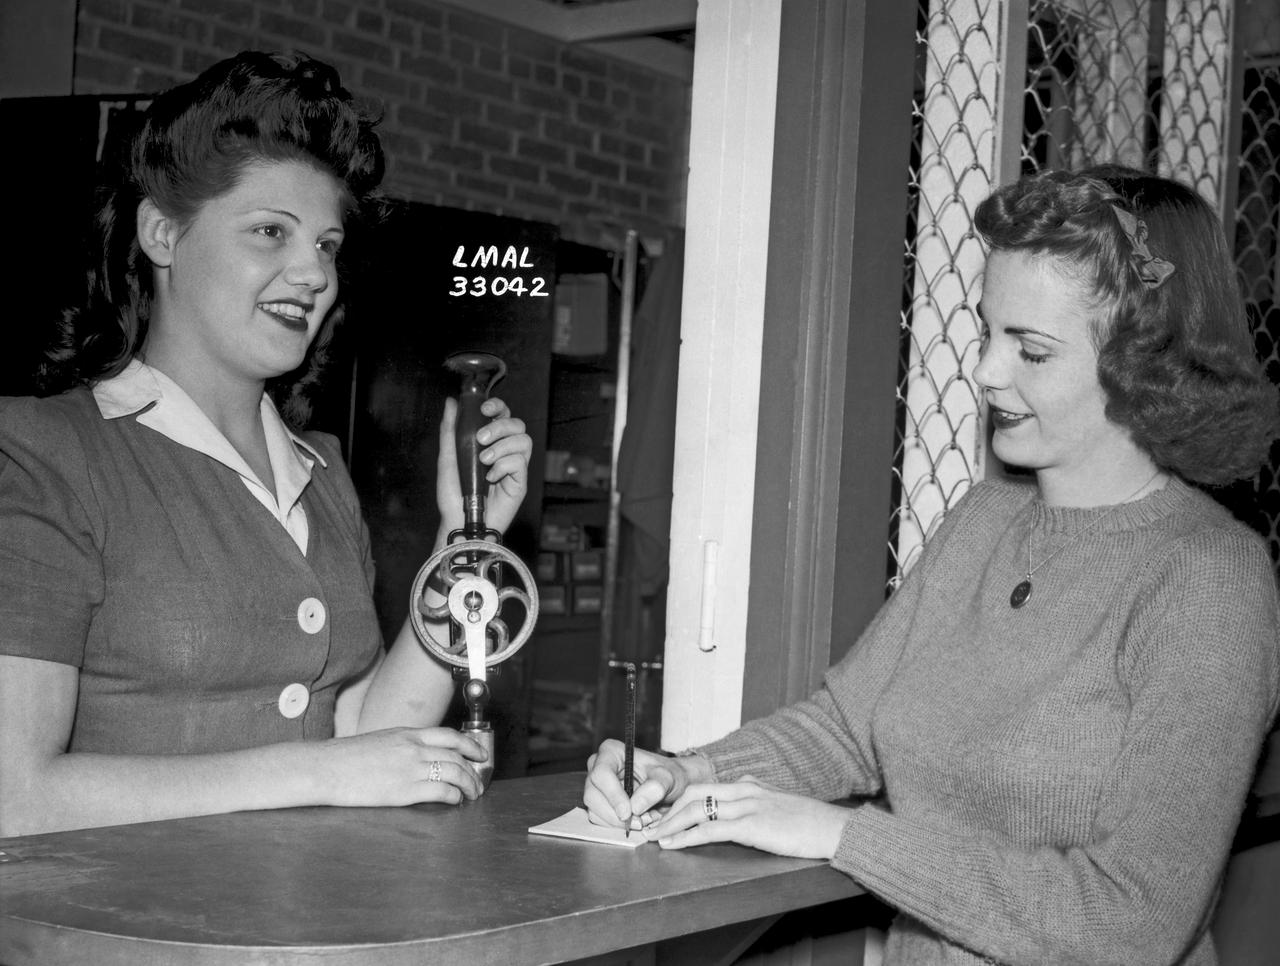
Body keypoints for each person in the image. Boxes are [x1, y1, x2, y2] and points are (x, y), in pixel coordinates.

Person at [584, 166, 1280, 966]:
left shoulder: (1208, 581)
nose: (987, 371)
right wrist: (689, 773)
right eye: (988, 332)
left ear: (1146, 361)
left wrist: (847, 835)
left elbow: (1132, 923)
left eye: (1033, 349)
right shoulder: (984, 520)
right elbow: (846, 727)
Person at [0, 51, 533, 836]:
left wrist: (463, 543)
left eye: (325, 245)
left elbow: (368, 738)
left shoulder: (321, 471)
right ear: (162, 234)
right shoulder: (46, 452)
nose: (312, 272)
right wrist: (315, 772)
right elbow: (15, 793)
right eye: (269, 232)